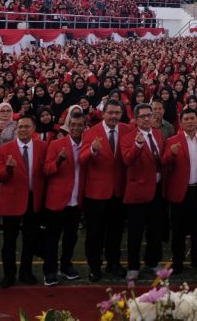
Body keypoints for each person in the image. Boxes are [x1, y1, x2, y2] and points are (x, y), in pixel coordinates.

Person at [0, 113, 46, 288]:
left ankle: (26, 272)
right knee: (9, 241)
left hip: (33, 200)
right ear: (16, 129)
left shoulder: (42, 147)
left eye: (27, 126)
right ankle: (9, 275)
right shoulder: (3, 149)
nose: (23, 130)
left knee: (29, 239)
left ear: (34, 129)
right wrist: (8, 169)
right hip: (12, 201)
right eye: (20, 127)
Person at [79, 98, 129, 281]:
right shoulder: (92, 133)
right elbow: (82, 159)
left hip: (118, 191)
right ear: (103, 113)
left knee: (115, 231)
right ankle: (94, 266)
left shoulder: (127, 130)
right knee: (95, 233)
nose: (114, 116)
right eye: (110, 112)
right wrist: (92, 149)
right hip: (96, 192)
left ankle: (113, 263)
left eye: (117, 113)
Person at [162, 106, 197, 274]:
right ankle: (177, 260)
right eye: (186, 119)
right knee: (178, 229)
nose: (190, 122)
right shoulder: (171, 141)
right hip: (179, 193)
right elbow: (164, 165)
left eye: (193, 118)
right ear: (181, 123)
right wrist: (171, 154)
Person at [41, 110, 86, 286]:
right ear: (68, 126)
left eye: (79, 125)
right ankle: (49, 270)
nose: (76, 128)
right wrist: (58, 161)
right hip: (57, 200)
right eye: (73, 125)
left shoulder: (87, 145)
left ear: (84, 126)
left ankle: (66, 265)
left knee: (70, 237)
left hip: (76, 200)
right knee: (52, 238)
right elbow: (46, 170)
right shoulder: (56, 145)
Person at [121, 102, 165, 280]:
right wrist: (137, 146)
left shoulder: (158, 134)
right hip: (138, 191)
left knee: (155, 230)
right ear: (136, 119)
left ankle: (152, 262)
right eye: (143, 116)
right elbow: (127, 161)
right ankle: (133, 266)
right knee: (135, 232)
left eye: (150, 115)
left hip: (157, 189)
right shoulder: (128, 138)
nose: (147, 119)